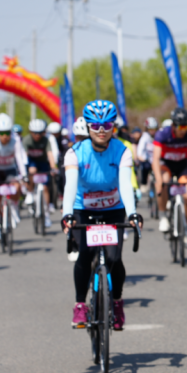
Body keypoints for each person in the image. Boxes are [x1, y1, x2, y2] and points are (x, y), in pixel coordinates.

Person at [62, 100, 142, 330]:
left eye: (106, 125)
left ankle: (116, 302)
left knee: (114, 258)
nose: (101, 130)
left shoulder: (122, 151)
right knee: (85, 256)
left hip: (113, 209)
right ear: (87, 126)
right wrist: (67, 214)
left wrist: (132, 213)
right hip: (83, 209)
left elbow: (125, 185)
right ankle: (80, 305)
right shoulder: (75, 153)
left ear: (113, 127)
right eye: (95, 126)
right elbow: (70, 186)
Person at [152, 108, 187, 246]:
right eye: (181, 127)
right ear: (173, 125)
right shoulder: (162, 134)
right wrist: (158, 179)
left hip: (182, 165)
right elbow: (155, 159)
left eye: (186, 127)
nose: (183, 130)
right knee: (163, 182)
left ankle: (186, 229)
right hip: (166, 164)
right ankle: (163, 216)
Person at [0, 114, 27, 241]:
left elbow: (19, 158)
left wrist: (24, 175)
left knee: (16, 187)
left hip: (10, 168)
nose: (4, 136)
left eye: (7, 133)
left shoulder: (16, 139)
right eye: (1, 133)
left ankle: (14, 207)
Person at [23, 119, 58, 228]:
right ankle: (30, 192)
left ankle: (46, 214)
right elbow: (24, 156)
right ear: (30, 132)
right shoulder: (27, 140)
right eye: (35, 133)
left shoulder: (46, 140)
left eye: (40, 133)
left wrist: (53, 168)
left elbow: (50, 154)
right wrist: (24, 169)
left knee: (45, 187)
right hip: (31, 161)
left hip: (43, 163)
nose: (37, 135)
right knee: (32, 170)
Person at [48, 121, 68, 212]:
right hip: (50, 162)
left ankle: (64, 196)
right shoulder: (48, 139)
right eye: (53, 133)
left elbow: (66, 150)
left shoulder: (63, 140)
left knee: (63, 178)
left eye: (56, 133)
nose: (55, 135)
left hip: (61, 161)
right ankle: (51, 202)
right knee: (49, 182)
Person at [136, 117, 158, 194]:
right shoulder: (144, 137)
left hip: (156, 161)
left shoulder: (158, 136)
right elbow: (139, 152)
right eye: (150, 129)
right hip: (147, 161)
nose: (152, 131)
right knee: (145, 167)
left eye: (154, 129)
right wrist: (142, 158)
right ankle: (144, 183)